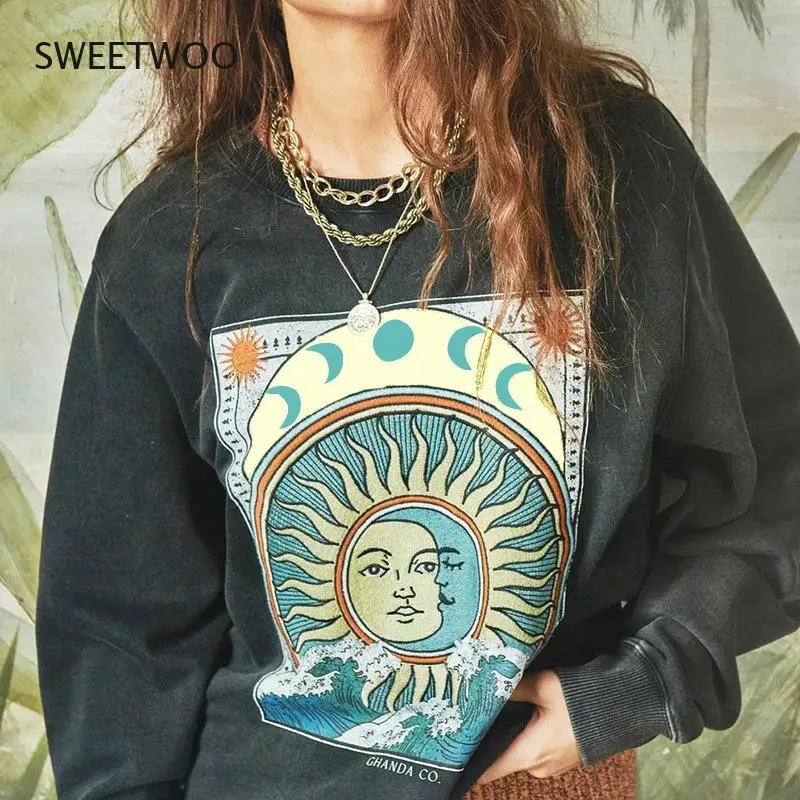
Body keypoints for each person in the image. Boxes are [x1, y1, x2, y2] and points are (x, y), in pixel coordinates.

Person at [35, 1, 800, 799]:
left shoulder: (610, 163)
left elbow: (778, 470)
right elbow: (116, 634)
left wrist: (637, 687)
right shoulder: (169, 239)